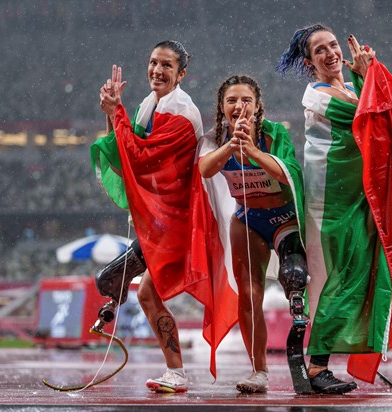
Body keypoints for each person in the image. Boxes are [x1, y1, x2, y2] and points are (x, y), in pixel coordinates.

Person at [91, 40, 238, 394]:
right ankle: (175, 370)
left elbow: (141, 158)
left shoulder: (181, 115)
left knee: (145, 292)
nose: (157, 70)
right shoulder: (149, 105)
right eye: (154, 62)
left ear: (181, 74)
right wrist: (113, 115)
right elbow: (125, 150)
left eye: (167, 65)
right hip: (162, 218)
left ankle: (179, 371)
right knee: (129, 288)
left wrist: (117, 112)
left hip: (180, 220)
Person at [276, 24, 392, 393]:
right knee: (339, 279)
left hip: (356, 198)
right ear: (309, 63)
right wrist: (369, 76)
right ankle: (317, 366)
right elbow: (369, 119)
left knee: (358, 275)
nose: (331, 53)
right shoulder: (317, 96)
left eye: (333, 45)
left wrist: (366, 76)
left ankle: (325, 361)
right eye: (320, 50)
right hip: (330, 204)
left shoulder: (350, 86)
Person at [198, 75, 307, 393]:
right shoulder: (216, 137)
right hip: (247, 220)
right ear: (222, 107)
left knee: (295, 276)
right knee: (250, 296)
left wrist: (253, 152)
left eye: (246, 100)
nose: (238, 106)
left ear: (258, 107)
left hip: (284, 218)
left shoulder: (274, 134)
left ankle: (305, 343)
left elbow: (289, 174)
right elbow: (204, 168)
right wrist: (232, 146)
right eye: (231, 100)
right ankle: (259, 370)